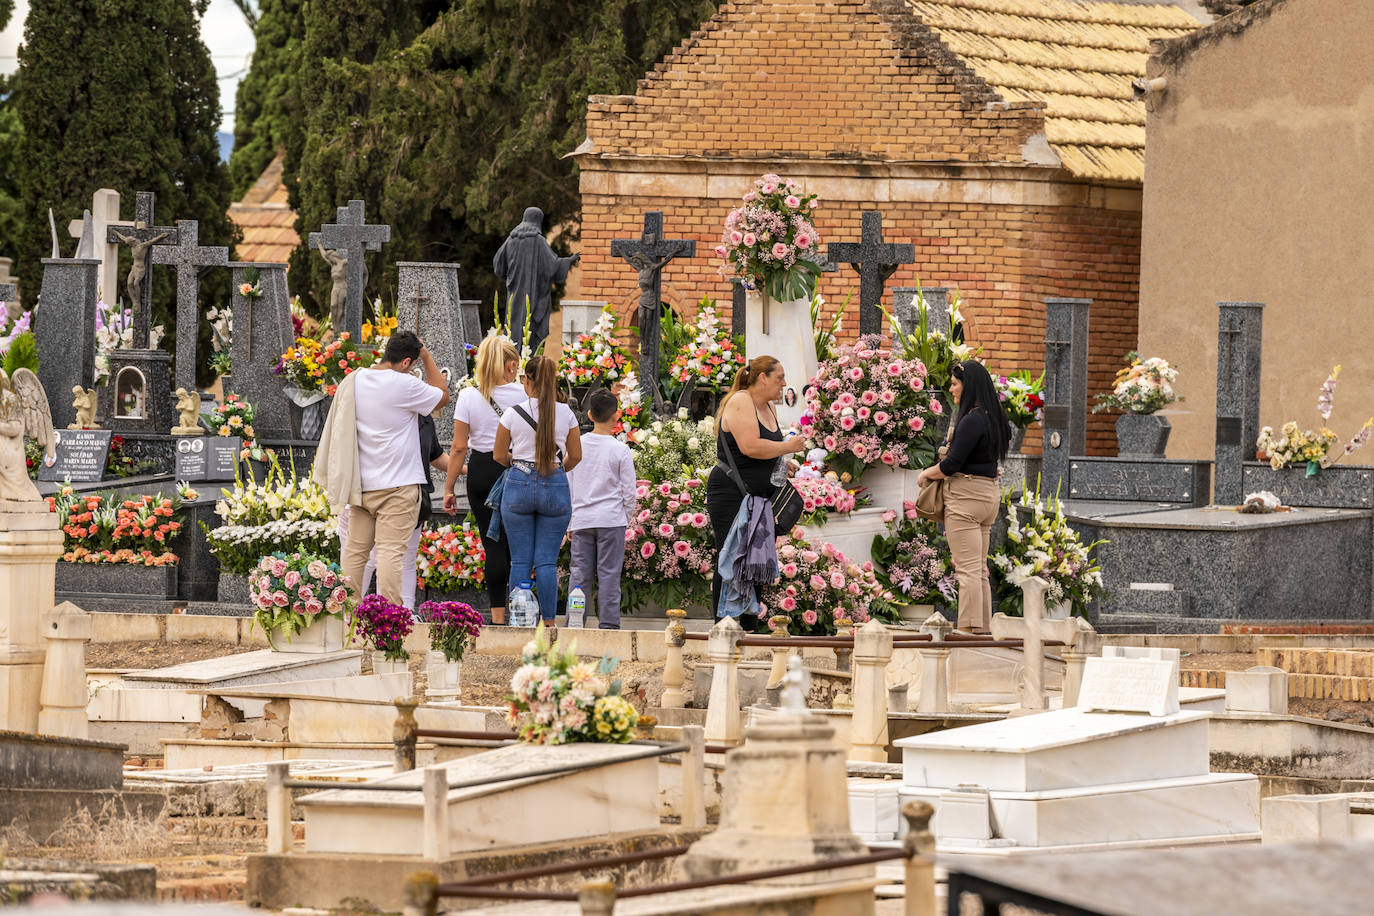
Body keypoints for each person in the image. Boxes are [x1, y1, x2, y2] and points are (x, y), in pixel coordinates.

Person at [315, 329, 449, 605]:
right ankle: (389, 623)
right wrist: (426, 356)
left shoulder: (355, 379)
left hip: (361, 485)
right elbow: (442, 396)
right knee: (390, 554)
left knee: (354, 553)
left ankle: (346, 618)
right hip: (398, 487)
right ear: (406, 363)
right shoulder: (404, 384)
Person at [706, 356, 807, 630]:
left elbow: (765, 452)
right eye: (779, 377)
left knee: (757, 560)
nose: (784, 384)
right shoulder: (741, 400)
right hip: (731, 493)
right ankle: (723, 626)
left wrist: (783, 464)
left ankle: (749, 626)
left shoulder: (769, 407)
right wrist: (788, 448)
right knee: (731, 557)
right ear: (762, 378)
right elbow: (750, 447)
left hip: (759, 498)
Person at [915, 359, 1009, 632]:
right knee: (978, 570)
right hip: (988, 497)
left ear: (969, 386)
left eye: (955, 384)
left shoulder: (972, 419)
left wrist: (926, 473)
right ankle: (983, 629)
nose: (952, 390)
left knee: (967, 571)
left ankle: (967, 631)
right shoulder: (997, 418)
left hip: (965, 499)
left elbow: (951, 465)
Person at [443, 336, 526, 623]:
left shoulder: (468, 396)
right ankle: (521, 611)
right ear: (511, 365)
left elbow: (458, 447)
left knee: (492, 545)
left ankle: (498, 617)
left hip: (480, 469)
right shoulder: (524, 396)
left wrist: (449, 487)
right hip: (515, 468)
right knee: (516, 545)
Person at [494, 355, 582, 623]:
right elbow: (575, 456)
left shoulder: (512, 413)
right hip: (554, 483)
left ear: (528, 380)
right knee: (546, 562)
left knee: (519, 560)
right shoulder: (566, 413)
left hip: (518, 485)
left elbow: (499, 455)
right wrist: (555, 469)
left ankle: (520, 621)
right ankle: (549, 623)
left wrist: (520, 465)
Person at [340, 413, 449, 610]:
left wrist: (465, 469)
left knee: (401, 561)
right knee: (365, 560)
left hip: (408, 501)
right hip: (366, 497)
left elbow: (435, 454)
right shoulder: (372, 411)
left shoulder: (423, 418)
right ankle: (349, 617)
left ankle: (400, 618)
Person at [566, 388, 637, 629]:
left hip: (582, 519)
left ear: (589, 415)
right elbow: (629, 492)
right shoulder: (620, 450)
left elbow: (569, 486)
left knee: (579, 576)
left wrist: (570, 521)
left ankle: (575, 623)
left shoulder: (577, 446)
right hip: (611, 520)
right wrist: (624, 517)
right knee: (609, 575)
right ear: (616, 416)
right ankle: (608, 625)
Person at [492, 207, 579, 352]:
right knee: (530, 332)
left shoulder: (511, 240)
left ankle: (513, 365)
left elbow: (498, 266)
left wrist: (512, 278)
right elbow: (552, 265)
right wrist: (569, 260)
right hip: (533, 298)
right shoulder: (538, 241)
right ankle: (527, 366)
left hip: (513, 297)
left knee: (513, 330)